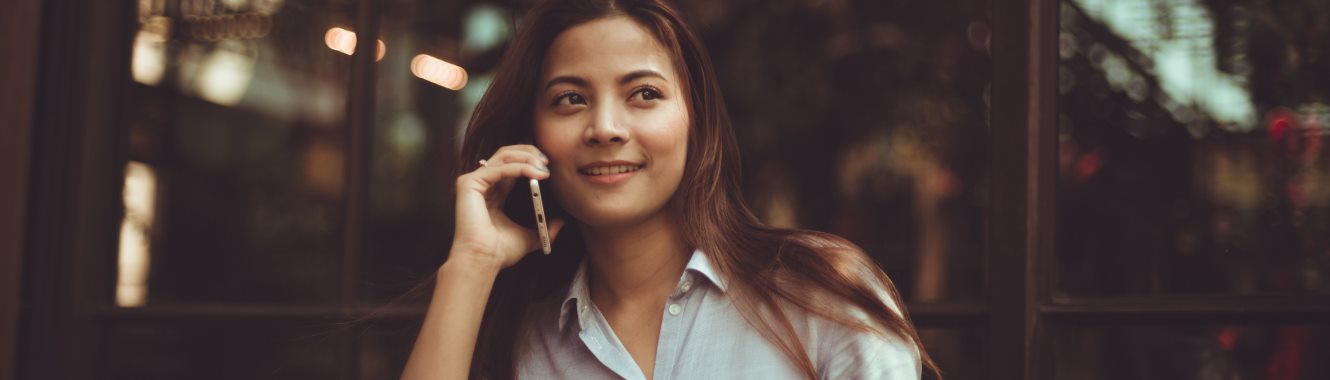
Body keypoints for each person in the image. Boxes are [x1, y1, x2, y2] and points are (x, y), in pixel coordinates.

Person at [401, 0, 940, 379]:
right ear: (533, 135)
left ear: (695, 122)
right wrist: (470, 264)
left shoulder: (818, 295)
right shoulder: (524, 343)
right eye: (570, 99)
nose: (606, 127)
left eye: (643, 93)